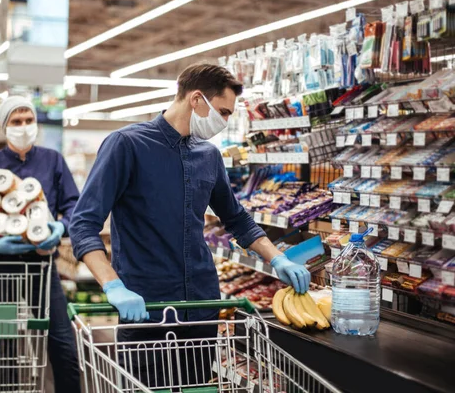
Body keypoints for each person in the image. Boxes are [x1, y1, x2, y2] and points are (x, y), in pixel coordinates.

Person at [69, 63, 311, 388]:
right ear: (197, 99)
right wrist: (113, 286)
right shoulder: (126, 145)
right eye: (223, 112)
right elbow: (83, 225)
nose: (224, 123)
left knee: (197, 387)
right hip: (147, 307)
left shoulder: (209, 155)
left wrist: (277, 257)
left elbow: (236, 217)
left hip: (202, 305)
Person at [0, 96, 81, 392]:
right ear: (5, 126)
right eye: (16, 122)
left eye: (28, 120)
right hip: (0, 269)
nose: (23, 127)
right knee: (4, 349)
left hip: (43, 267)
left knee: (63, 344)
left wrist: (61, 226)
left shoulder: (53, 160)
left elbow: (75, 205)